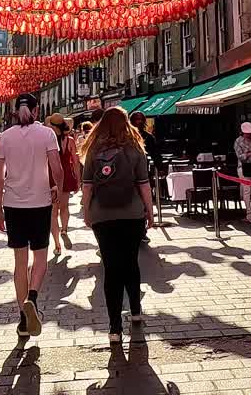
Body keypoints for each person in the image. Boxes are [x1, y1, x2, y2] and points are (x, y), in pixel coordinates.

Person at [80, 108, 154, 344]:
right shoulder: (135, 148)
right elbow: (144, 184)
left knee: (111, 268)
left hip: (102, 215)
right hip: (132, 213)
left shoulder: (93, 150)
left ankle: (114, 327)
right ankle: (135, 310)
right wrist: (150, 211)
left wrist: (86, 211)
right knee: (130, 262)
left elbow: (87, 186)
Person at [0, 94, 63, 338]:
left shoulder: (4, 137)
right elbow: (57, 168)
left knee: (20, 263)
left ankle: (23, 320)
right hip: (40, 203)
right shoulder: (47, 134)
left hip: (13, 205)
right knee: (40, 257)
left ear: (15, 111)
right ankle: (32, 297)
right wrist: (58, 189)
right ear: (35, 110)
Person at [45, 114, 81, 257]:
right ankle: (64, 229)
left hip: (51, 176)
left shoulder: (47, 140)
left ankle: (57, 245)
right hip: (65, 175)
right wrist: (78, 179)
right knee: (64, 207)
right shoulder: (69, 140)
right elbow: (76, 162)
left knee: (53, 213)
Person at [128, 111, 158, 243]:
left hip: (143, 174)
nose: (139, 122)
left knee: (144, 203)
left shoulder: (148, 137)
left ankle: (142, 231)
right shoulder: (126, 137)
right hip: (127, 175)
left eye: (141, 119)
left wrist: (159, 166)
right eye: (136, 119)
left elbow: (155, 153)